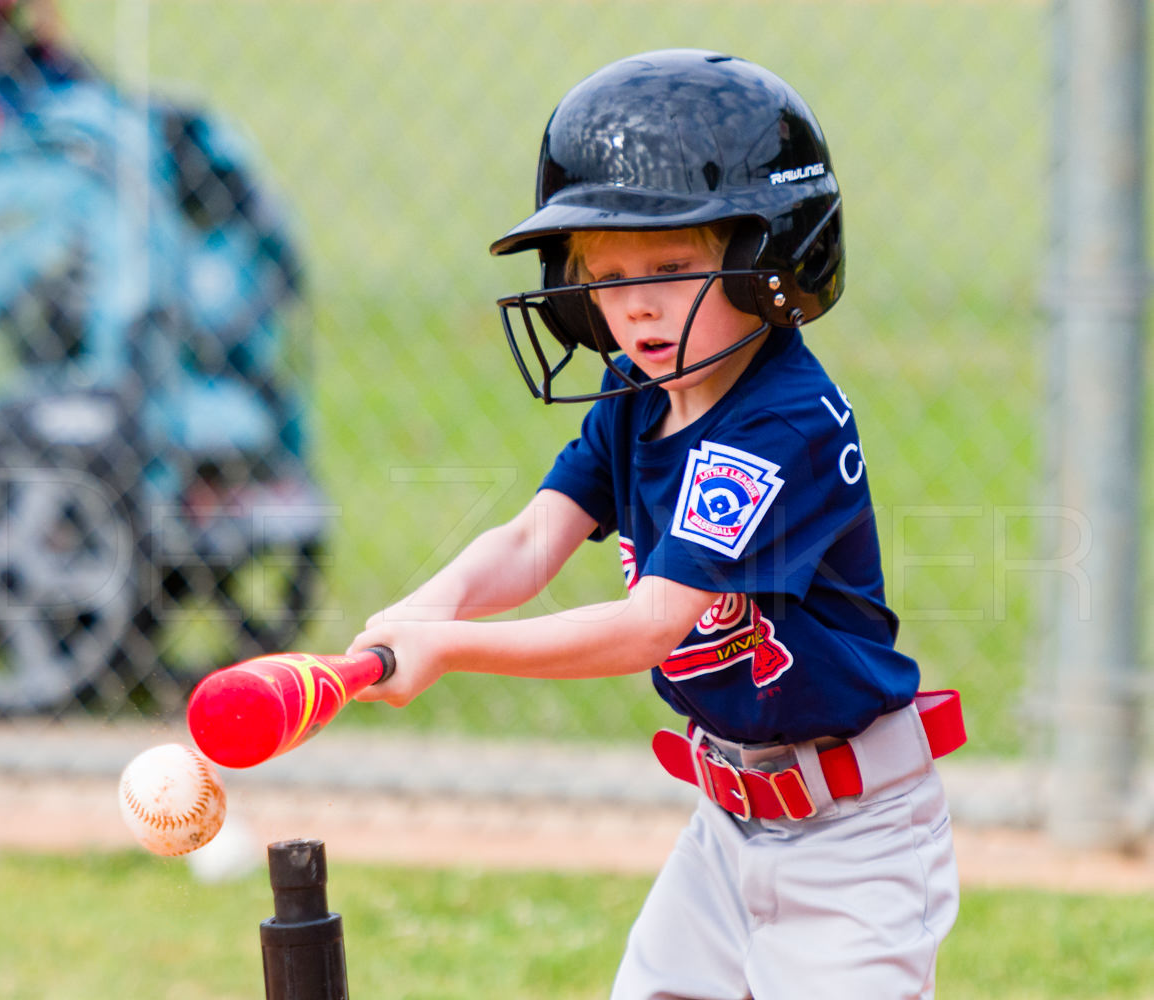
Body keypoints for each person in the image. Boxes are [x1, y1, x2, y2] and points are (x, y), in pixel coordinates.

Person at [347, 49, 964, 999]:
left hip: (854, 842)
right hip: (725, 830)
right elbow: (530, 541)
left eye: (671, 267)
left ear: (767, 264)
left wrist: (453, 647)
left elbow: (651, 625)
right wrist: (411, 617)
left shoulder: (778, 420)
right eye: (605, 272)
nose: (633, 304)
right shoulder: (640, 393)